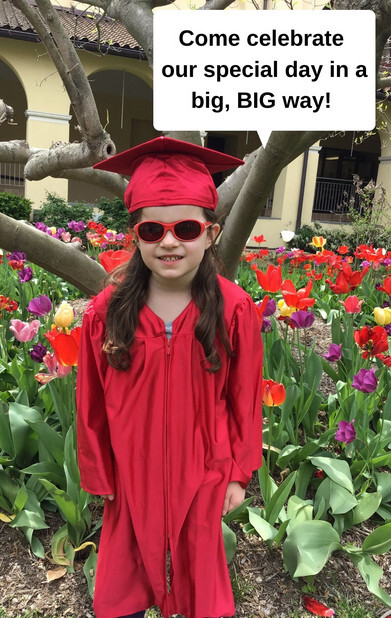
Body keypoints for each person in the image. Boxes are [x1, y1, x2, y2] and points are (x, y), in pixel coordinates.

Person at [76, 136, 263, 618]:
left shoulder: (233, 309)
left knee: (201, 576)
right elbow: (90, 399)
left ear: (211, 232)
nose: (170, 242)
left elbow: (245, 399)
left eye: (185, 227)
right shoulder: (107, 311)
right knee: (124, 579)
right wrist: (99, 471)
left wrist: (238, 474)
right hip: (129, 468)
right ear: (134, 233)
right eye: (152, 230)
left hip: (205, 466)